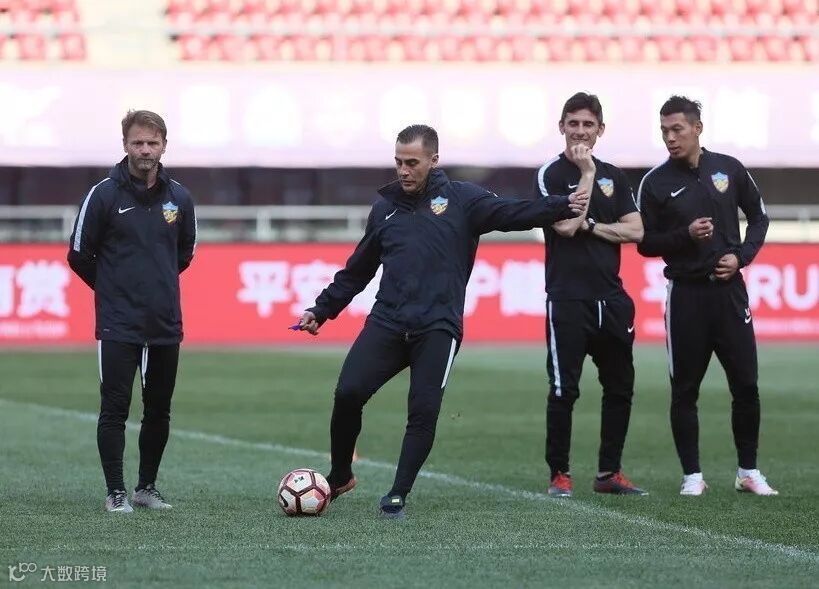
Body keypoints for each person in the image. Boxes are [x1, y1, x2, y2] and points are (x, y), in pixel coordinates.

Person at [297, 124, 593, 518]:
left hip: (437, 326)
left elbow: (513, 212)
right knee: (348, 393)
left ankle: (397, 494)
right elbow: (359, 270)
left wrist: (562, 204)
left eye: (412, 162)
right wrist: (321, 309)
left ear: (433, 160)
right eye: (399, 162)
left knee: (422, 411)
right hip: (387, 321)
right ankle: (340, 475)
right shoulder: (385, 208)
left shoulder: (463, 200)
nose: (403, 170)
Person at [636, 96, 777, 496]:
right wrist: (685, 235)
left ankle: (748, 471)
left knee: (746, 385)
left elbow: (759, 217)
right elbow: (645, 243)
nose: (670, 138)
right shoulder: (655, 182)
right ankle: (692, 476)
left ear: (697, 128)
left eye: (677, 129)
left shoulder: (729, 169)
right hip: (686, 297)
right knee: (685, 390)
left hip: (730, 295)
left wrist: (741, 257)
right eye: (664, 131)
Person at [68, 110, 197, 513]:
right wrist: (112, 289)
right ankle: (116, 491)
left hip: (164, 322)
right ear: (125, 145)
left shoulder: (180, 198)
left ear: (164, 146)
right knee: (115, 409)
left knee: (158, 410)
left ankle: (146, 487)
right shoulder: (103, 194)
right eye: (138, 142)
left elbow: (184, 253)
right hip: (118, 323)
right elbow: (78, 254)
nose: (145, 150)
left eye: (152, 143)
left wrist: (155, 286)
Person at [535, 92, 647, 498]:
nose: (580, 131)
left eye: (588, 124)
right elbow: (566, 227)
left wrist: (593, 225)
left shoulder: (615, 176)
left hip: (611, 299)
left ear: (600, 129)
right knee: (564, 390)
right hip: (568, 298)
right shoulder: (550, 174)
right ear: (561, 126)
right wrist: (586, 173)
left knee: (620, 387)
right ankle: (560, 474)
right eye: (574, 123)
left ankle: (609, 473)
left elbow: (636, 230)